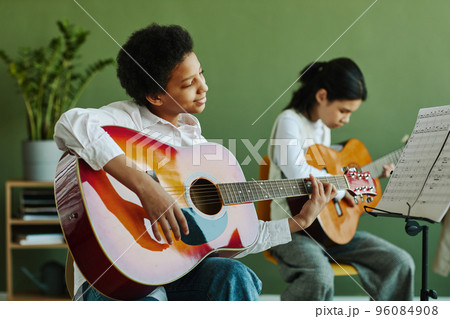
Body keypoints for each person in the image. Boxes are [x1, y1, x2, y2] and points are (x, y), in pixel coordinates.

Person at [54, 23, 337, 301]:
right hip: (118, 275)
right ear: (154, 96)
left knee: (235, 276)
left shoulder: (197, 149)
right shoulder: (126, 120)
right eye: (189, 83)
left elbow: (233, 238)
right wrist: (145, 187)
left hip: (177, 271)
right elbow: (71, 123)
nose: (204, 87)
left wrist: (299, 221)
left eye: (200, 74)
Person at [268, 58, 415, 301]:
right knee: (319, 275)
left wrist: (367, 178)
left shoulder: (323, 128)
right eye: (344, 110)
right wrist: (342, 186)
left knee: (399, 262)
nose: (346, 119)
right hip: (291, 229)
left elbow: (329, 178)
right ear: (322, 96)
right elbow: (298, 172)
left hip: (326, 231)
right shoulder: (289, 122)